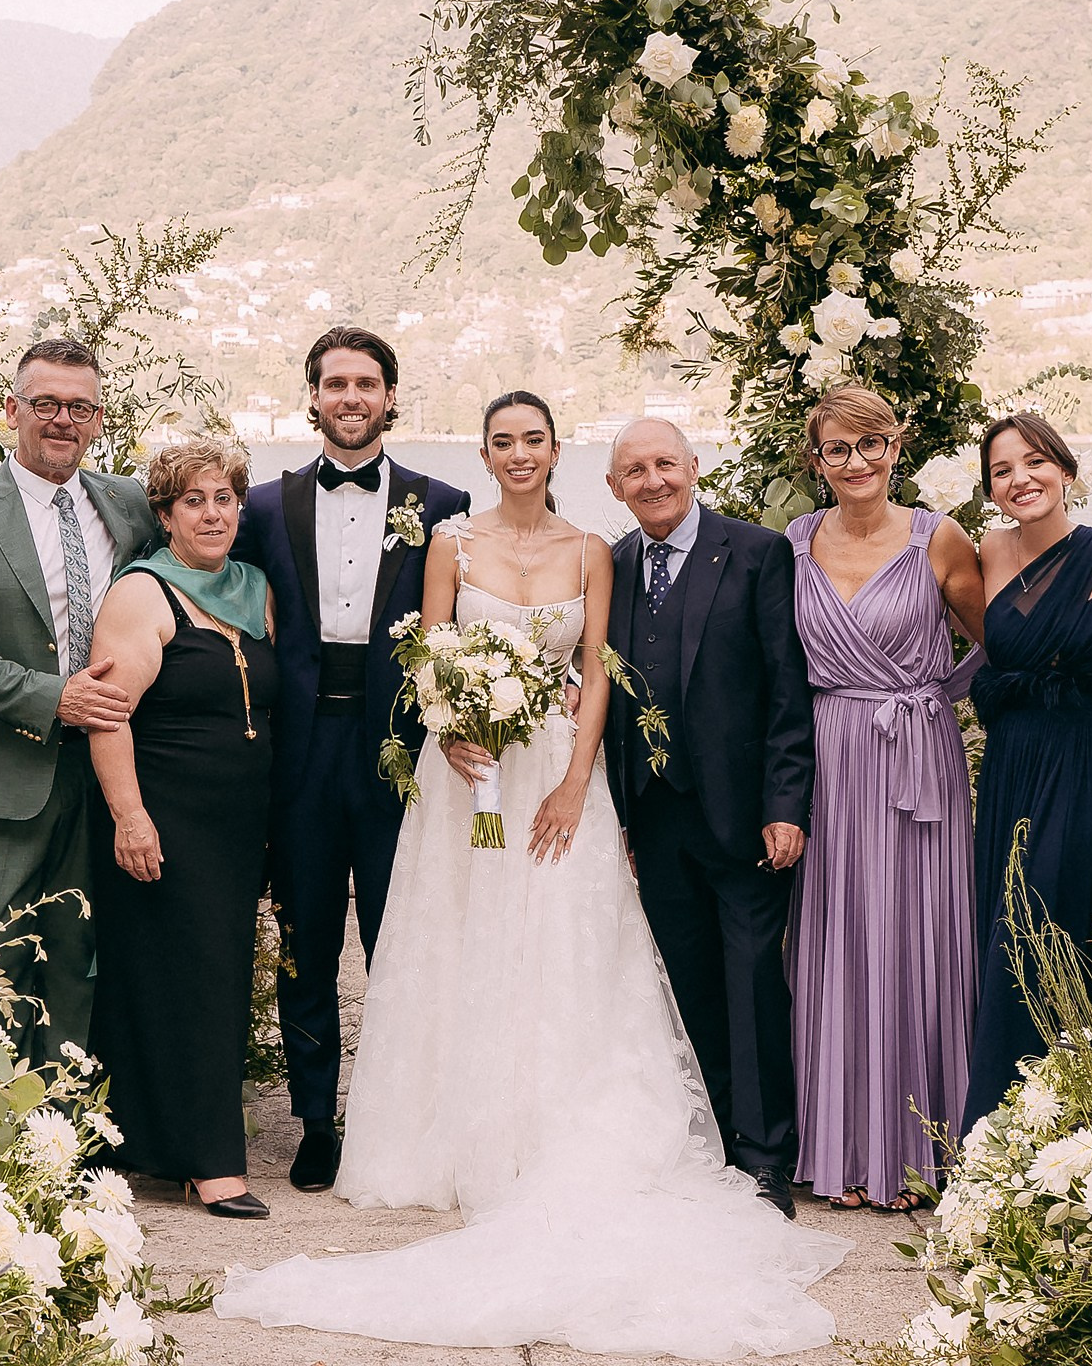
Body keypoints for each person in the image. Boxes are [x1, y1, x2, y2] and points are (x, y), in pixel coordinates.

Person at [219, 395, 851, 1358]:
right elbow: (428, 653)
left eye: (535, 440)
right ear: (485, 453)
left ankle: (573, 1130)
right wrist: (450, 722)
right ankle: (448, 1137)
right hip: (466, 772)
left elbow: (597, 666)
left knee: (568, 950)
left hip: (560, 769)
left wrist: (571, 778)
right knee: (461, 940)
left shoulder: (595, 550)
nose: (519, 454)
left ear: (560, 452)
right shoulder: (449, 543)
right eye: (503, 442)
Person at [231, 326, 468, 1191]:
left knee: (400, 939)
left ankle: (398, 1115)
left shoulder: (444, 503)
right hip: (297, 751)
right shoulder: (260, 506)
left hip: (399, 752)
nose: (352, 397)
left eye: (367, 383)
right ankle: (314, 1120)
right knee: (306, 942)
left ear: (392, 398)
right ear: (313, 397)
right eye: (336, 383)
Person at [0, 338, 158, 1066]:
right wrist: (57, 699)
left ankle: (61, 1132)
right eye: (46, 403)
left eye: (78, 407)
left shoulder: (130, 504)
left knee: (82, 956)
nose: (62, 420)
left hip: (110, 771)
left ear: (98, 418)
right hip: (5, 777)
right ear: (11, 410)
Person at [603, 416, 816, 1218]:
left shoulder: (757, 552)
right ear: (614, 485)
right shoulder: (614, 563)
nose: (653, 480)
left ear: (693, 468)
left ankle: (766, 1160)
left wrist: (786, 804)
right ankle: (716, 1144)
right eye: (635, 469)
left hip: (746, 817)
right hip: (654, 821)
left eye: (665, 463)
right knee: (686, 987)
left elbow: (787, 688)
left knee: (755, 982)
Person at [782, 388, 986, 1214]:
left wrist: (933, 697)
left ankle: (921, 1151)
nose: (857, 461)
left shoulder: (940, 538)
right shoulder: (793, 544)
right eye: (838, 449)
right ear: (818, 460)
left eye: (871, 443)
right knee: (836, 941)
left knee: (919, 939)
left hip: (917, 765)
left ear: (896, 446)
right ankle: (838, 1148)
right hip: (830, 758)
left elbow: (996, 640)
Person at [86, 438, 278, 1219]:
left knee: (213, 978)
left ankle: (147, 1148)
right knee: (191, 983)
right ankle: (210, 1163)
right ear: (164, 515)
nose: (212, 513)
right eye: (192, 500)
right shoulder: (142, 594)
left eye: (224, 498)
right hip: (164, 818)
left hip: (239, 824)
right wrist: (130, 817)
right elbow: (106, 716)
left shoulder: (256, 588)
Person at [962, 413, 1092, 1130]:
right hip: (1013, 763)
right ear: (990, 489)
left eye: (1035, 461)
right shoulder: (988, 551)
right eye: (1003, 470)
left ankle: (1085, 1123)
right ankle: (1006, 1128)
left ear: (1066, 470)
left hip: (1086, 762)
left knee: (1062, 919)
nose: (1021, 479)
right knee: (1009, 925)